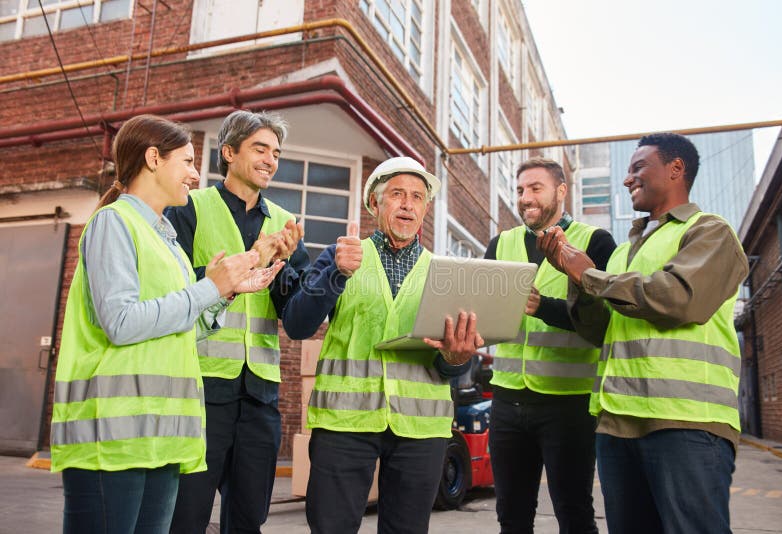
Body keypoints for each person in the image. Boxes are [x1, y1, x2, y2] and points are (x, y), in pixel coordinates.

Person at [50, 114, 280, 534]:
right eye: (188, 161)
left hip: (160, 437)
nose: (195, 174)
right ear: (153, 159)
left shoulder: (166, 241)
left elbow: (179, 325)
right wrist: (207, 288)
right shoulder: (113, 223)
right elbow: (120, 323)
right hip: (113, 438)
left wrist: (224, 292)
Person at [538, 133, 748, 534]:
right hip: (618, 424)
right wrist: (576, 281)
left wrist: (590, 275)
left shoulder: (709, 232)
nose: (627, 179)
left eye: (638, 168)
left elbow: (678, 299)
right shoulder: (622, 251)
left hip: (686, 423)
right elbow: (600, 330)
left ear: (675, 170)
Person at [281, 156, 483, 534]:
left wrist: (457, 360)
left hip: (420, 430)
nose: (408, 203)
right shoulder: (340, 256)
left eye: (417, 197)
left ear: (425, 208)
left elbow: (450, 365)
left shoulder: (447, 274)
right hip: (344, 423)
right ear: (374, 204)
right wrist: (336, 275)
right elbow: (296, 324)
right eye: (397, 194)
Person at [167, 110, 309, 534]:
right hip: (201, 388)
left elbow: (295, 314)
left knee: (248, 519)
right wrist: (249, 263)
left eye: (276, 153)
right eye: (260, 149)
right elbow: (173, 291)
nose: (270, 159)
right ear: (228, 153)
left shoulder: (285, 224)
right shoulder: (189, 208)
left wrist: (289, 266)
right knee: (185, 516)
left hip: (260, 396)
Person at [484, 156, 616, 533]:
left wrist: (544, 307)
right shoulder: (502, 243)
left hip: (568, 404)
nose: (526, 198)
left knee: (574, 513)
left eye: (535, 188)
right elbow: (486, 315)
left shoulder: (596, 242)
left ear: (561, 191)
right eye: (521, 190)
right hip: (508, 401)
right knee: (511, 516)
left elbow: (605, 322)